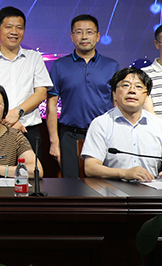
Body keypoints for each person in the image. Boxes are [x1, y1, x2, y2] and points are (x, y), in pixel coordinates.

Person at [0, 6, 52, 152]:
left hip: (28, 129)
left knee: (30, 167)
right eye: (8, 27)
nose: (14, 32)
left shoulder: (34, 58)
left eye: (19, 27)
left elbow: (41, 93)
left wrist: (17, 112)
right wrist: (8, 121)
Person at [47, 14, 120, 178]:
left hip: (103, 135)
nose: (84, 37)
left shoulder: (112, 66)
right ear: (72, 36)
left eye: (89, 32)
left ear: (98, 36)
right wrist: (54, 142)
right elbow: (51, 104)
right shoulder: (59, 66)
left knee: (103, 185)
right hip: (70, 136)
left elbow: (117, 104)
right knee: (71, 186)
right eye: (79, 32)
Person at [82, 67, 162, 182]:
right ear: (114, 94)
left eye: (138, 87)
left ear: (147, 97)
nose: (132, 91)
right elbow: (90, 168)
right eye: (125, 85)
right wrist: (124, 173)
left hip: (151, 188)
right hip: (112, 188)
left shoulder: (160, 126)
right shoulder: (101, 124)